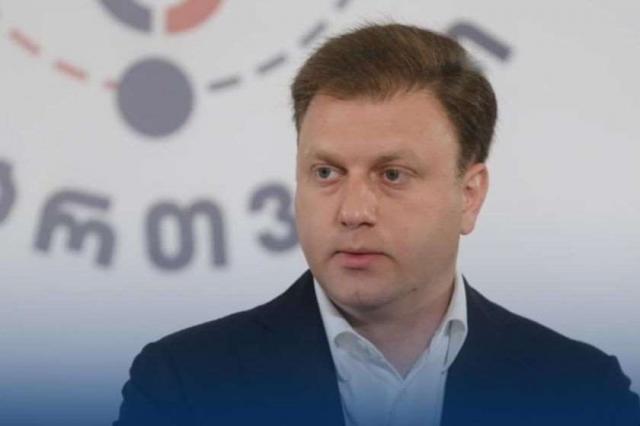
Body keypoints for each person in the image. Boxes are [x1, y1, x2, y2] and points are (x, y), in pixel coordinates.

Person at [114, 23, 640, 426]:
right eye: (326, 172)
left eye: (392, 175)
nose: (353, 210)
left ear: (469, 195)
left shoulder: (582, 392)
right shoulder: (184, 384)